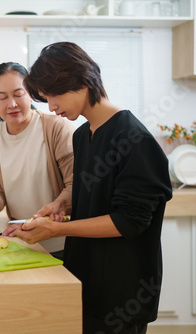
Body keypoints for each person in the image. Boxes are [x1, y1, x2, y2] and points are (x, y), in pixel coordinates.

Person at [17, 42, 173, 333]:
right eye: (46, 98)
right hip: (86, 279)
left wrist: (58, 229)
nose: (51, 106)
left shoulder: (134, 138)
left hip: (123, 292)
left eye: (54, 95)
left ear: (81, 81)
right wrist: (62, 204)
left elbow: (129, 220)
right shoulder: (82, 135)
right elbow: (96, 194)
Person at [0, 62, 75, 258]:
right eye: (2, 97)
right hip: (22, 242)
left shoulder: (56, 128)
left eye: (18, 94)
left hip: (62, 242)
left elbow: (75, 184)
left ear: (32, 93)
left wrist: (57, 207)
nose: (11, 104)